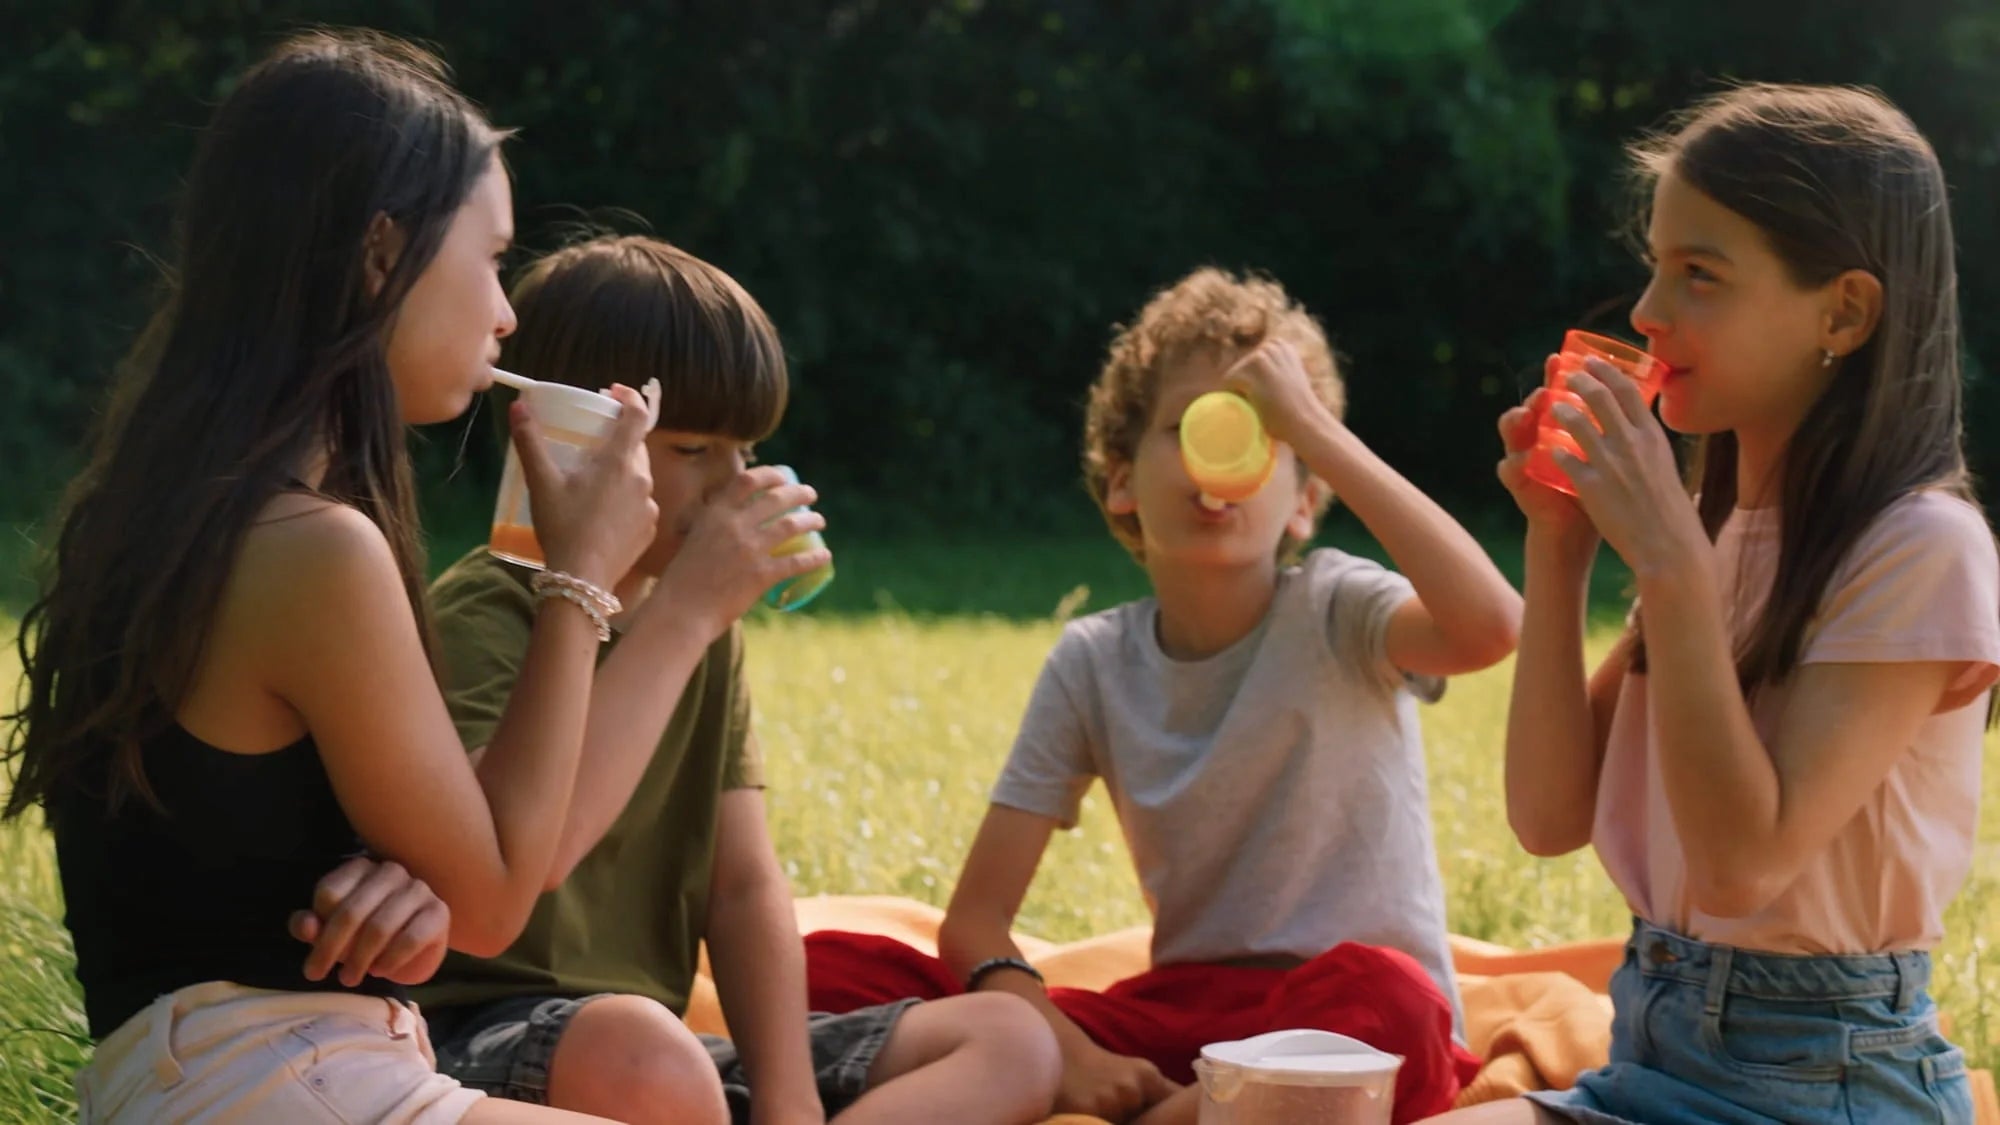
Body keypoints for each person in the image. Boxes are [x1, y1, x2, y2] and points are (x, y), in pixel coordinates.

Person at [3, 30, 662, 1123]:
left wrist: (411, 878)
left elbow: (456, 873)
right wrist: (579, 584)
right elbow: (499, 899)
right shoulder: (311, 547)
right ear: (378, 254)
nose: (506, 313)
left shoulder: (198, 504)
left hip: (240, 1069)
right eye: (491, 257)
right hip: (265, 1078)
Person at [805, 266, 1521, 1124]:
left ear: (1307, 498)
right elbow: (976, 925)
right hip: (1181, 1019)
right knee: (826, 965)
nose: (1223, 455)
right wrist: (1070, 1053)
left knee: (1391, 998)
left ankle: (1176, 1114)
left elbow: (1490, 626)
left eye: (1266, 435)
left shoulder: (1339, 605)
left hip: (1340, 1019)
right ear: (1121, 481)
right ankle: (1206, 1105)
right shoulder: (1094, 661)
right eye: (1189, 427)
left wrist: (1316, 429)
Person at [1423, 84, 1998, 1125]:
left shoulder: (1919, 548)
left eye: (1698, 275)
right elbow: (1546, 816)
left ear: (1842, 312)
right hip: (1649, 1051)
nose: (1645, 311)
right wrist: (1557, 554)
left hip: (1826, 1084)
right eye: (1653, 262)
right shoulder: (1711, 532)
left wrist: (1669, 565)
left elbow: (1742, 865)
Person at [417, 234, 1063, 1125]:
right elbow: (532, 853)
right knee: (642, 1051)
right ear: (570, 443)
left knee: (1013, 1041)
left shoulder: (700, 631)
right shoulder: (485, 614)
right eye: (693, 448)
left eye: (743, 447)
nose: (733, 482)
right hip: (483, 1041)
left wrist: (789, 1102)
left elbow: (744, 885)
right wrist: (684, 615)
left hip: (665, 1052)